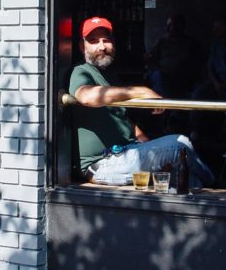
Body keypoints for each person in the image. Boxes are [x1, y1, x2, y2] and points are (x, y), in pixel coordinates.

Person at [69, 16, 214, 189]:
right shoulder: (81, 71)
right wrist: (142, 91)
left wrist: (149, 146)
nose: (102, 47)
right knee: (180, 144)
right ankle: (217, 183)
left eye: (106, 40)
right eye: (93, 41)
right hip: (103, 165)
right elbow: (86, 96)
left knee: (190, 182)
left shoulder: (109, 75)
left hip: (126, 153)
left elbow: (123, 120)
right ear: (81, 46)